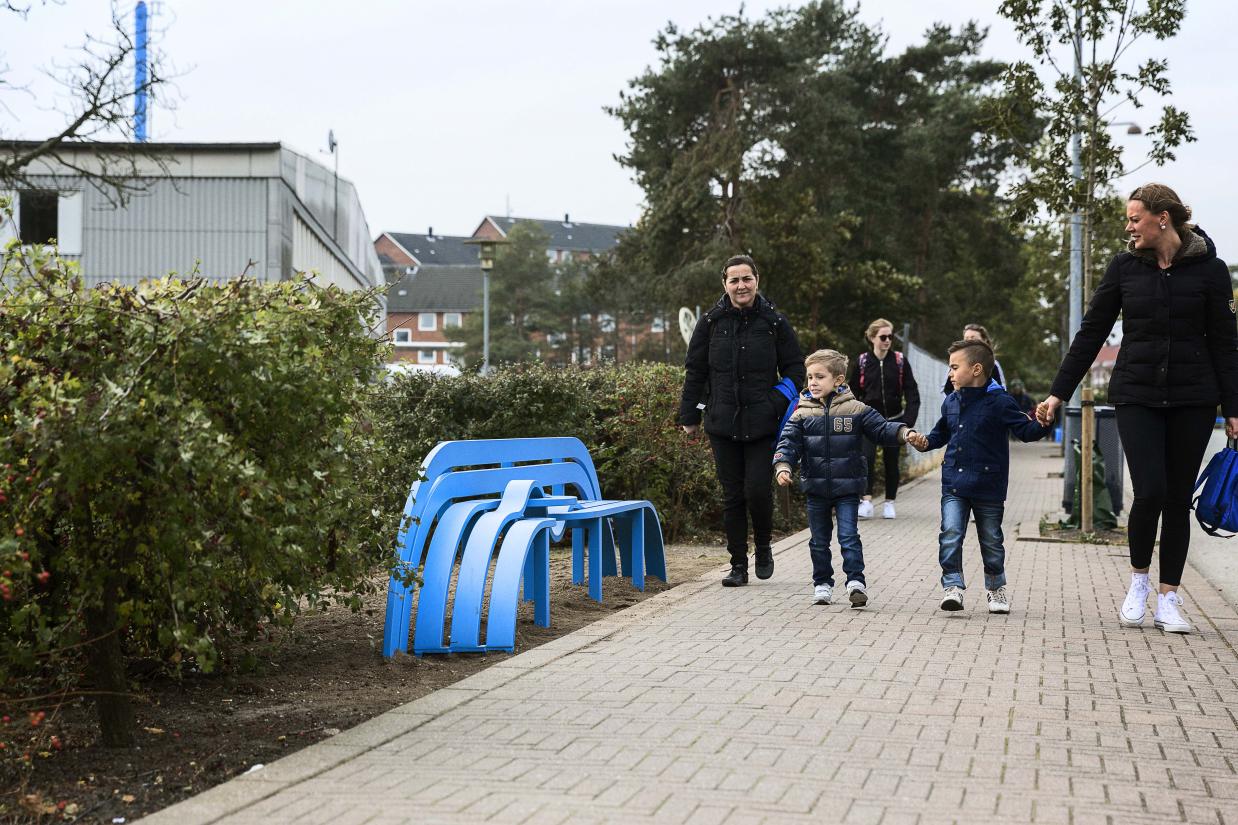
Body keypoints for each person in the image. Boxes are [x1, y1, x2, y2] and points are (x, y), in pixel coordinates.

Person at [1036, 184, 1238, 634]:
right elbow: (1091, 333)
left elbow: (1226, 345)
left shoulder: (1211, 270)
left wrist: (1234, 407)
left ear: (1162, 218)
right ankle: (1139, 582)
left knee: (1176, 498)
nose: (1128, 228)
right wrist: (1057, 394)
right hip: (1136, 395)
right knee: (1149, 491)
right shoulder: (1125, 267)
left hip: (1194, 398)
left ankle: (1169, 598)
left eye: (1134, 219)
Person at [680, 254, 805, 587]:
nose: (741, 286)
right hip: (722, 422)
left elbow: (795, 368)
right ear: (725, 284)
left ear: (757, 280)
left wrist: (775, 400)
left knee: (757, 491)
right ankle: (738, 564)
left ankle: (763, 546)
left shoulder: (774, 322)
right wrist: (689, 415)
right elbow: (695, 370)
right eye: (734, 280)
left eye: (746, 279)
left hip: (763, 422)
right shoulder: (710, 322)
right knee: (732, 496)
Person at [908, 339, 1051, 613]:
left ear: (975, 369)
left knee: (991, 540)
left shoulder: (1000, 402)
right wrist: (925, 442)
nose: (949, 373)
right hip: (954, 483)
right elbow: (941, 433)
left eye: (953, 367)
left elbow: (1025, 431)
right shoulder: (951, 400)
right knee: (950, 534)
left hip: (989, 485)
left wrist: (1044, 422)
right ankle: (952, 586)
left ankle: (996, 589)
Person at [774, 350, 916, 608]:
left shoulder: (856, 409)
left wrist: (904, 432)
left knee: (849, 536)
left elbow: (882, 429)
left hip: (848, 488)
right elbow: (788, 442)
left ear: (838, 380)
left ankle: (855, 582)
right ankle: (822, 584)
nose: (812, 383)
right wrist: (783, 465)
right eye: (809, 377)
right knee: (818, 540)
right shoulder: (801, 412)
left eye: (820, 376)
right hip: (816, 488)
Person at [847, 319, 919, 520]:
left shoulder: (899, 361)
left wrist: (908, 420)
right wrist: (855, 417)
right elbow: (852, 393)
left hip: (894, 421)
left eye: (890, 336)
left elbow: (912, 392)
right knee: (866, 459)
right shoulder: (862, 362)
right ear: (872, 338)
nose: (888, 341)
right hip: (868, 421)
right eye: (883, 337)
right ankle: (867, 501)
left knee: (891, 462)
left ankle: (889, 502)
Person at [941, 324, 1005, 394]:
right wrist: (955, 403)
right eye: (966, 338)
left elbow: (1002, 389)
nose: (969, 341)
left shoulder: (994, 364)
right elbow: (946, 389)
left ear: (984, 340)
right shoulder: (955, 363)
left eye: (973, 338)